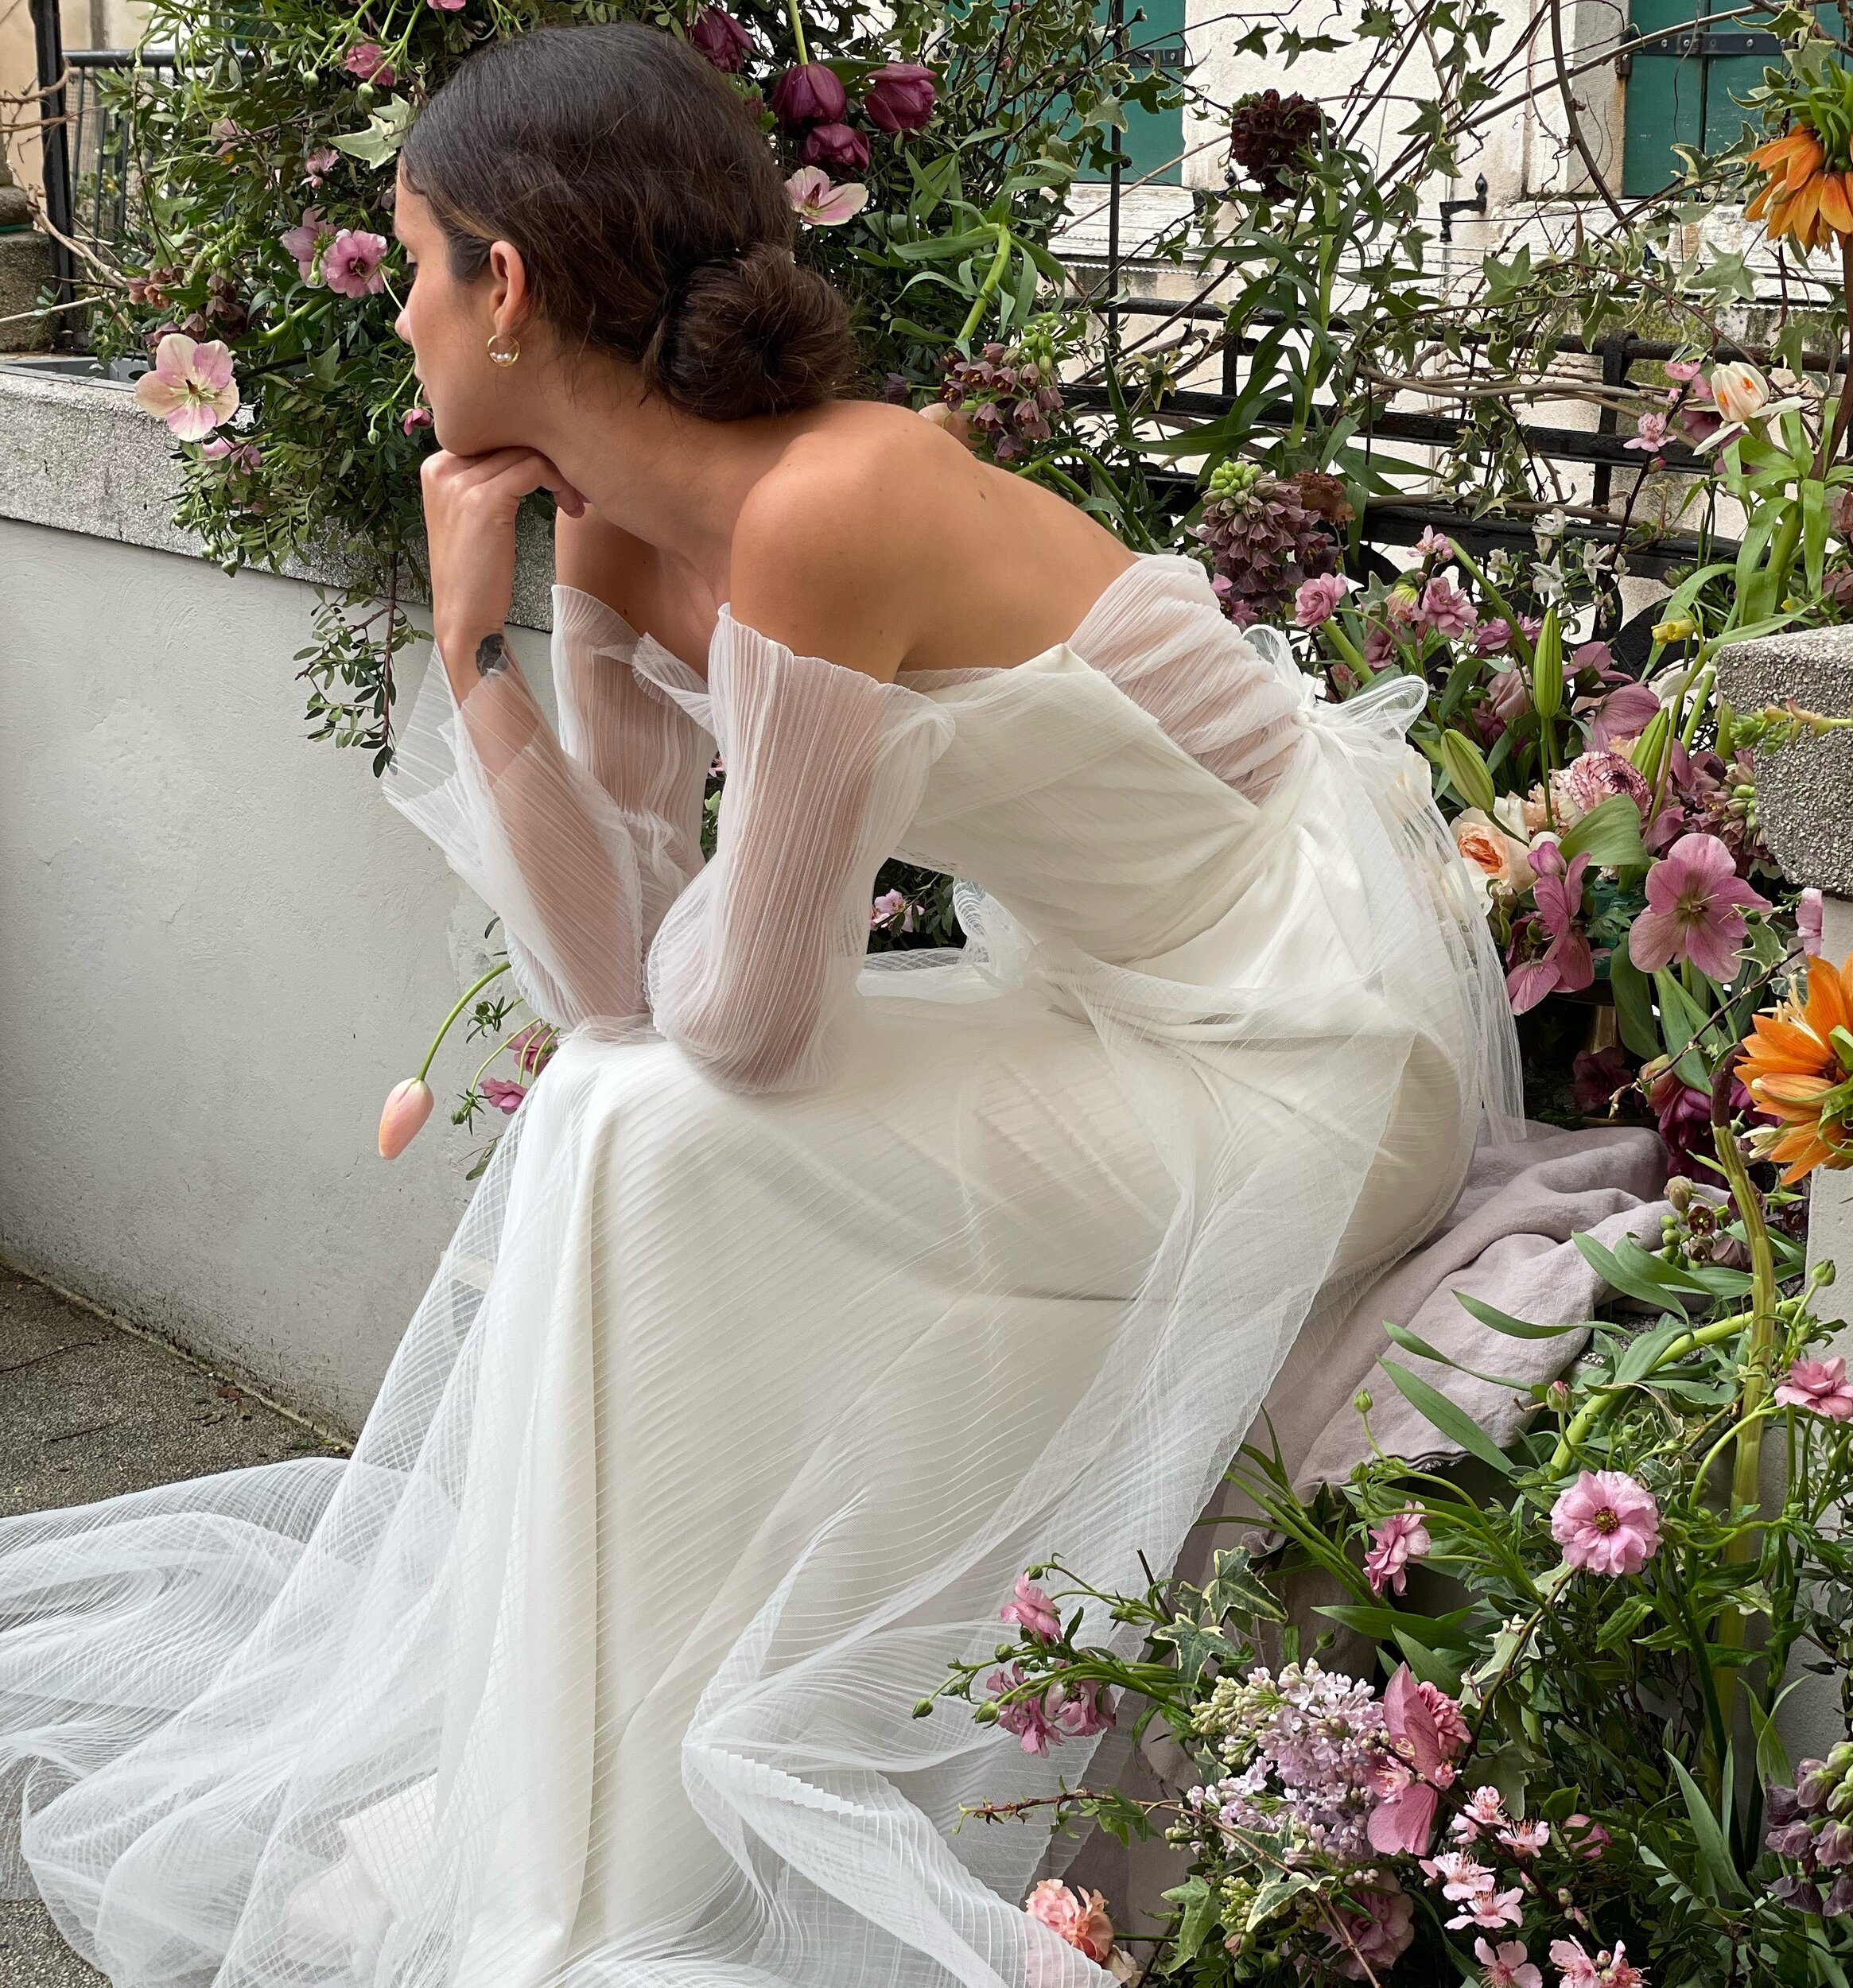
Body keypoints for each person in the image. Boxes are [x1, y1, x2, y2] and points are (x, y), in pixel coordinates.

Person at [0, 21, 1519, 1986]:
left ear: (506, 283)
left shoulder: (829, 505)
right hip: (1102, 1007)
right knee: (624, 1115)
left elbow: (741, 1023)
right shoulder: (626, 528)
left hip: (1298, 1046)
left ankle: (588, 1860)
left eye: (408, 269)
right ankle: (588, 1820)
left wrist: (648, 946)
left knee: (657, 1119)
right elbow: (616, 974)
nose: (397, 335)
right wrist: (476, 660)